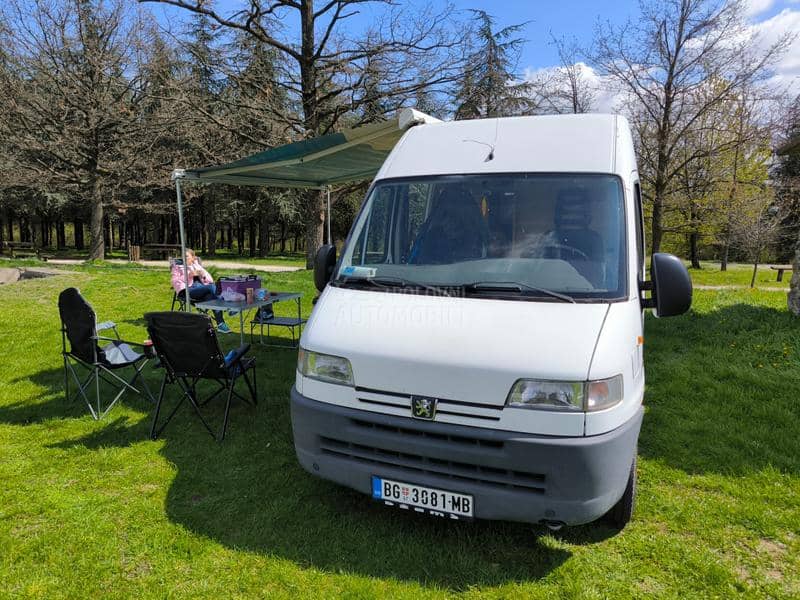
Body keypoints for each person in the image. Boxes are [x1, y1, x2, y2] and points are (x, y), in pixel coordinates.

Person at [171, 249, 231, 333]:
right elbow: (174, 281)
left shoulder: (197, 266)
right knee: (211, 287)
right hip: (188, 291)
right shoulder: (177, 267)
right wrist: (189, 275)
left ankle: (220, 324)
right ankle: (228, 306)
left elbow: (210, 279)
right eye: (183, 256)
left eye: (187, 256)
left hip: (201, 291)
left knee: (212, 297)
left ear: (193, 258)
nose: (184, 258)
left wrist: (203, 275)